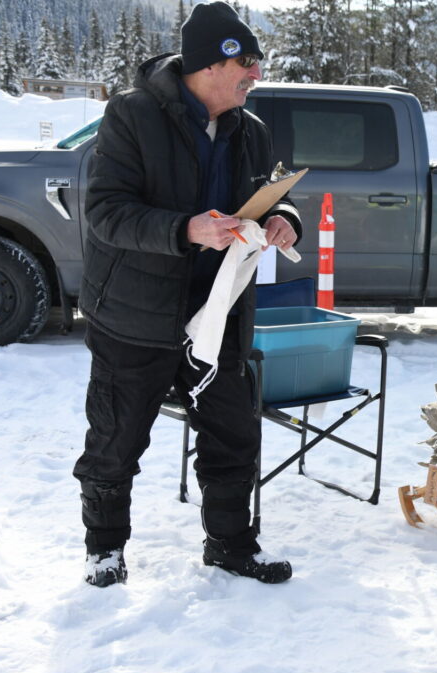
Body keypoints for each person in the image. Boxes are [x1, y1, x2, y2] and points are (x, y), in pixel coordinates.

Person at [74, 1, 301, 587]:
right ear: (211, 64)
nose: (256, 75)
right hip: (135, 316)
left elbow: (271, 194)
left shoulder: (251, 130)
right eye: (247, 63)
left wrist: (285, 219)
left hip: (217, 317)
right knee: (116, 440)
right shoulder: (131, 116)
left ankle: (230, 545)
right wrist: (186, 229)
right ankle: (105, 548)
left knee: (235, 435)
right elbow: (105, 212)